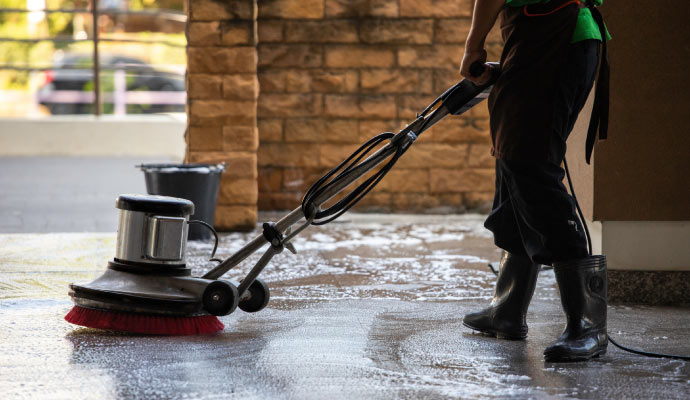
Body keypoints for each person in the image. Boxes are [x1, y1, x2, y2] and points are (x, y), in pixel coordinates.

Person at [459, 0, 610, 362]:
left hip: (555, 35)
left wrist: (473, 45)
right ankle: (507, 307)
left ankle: (588, 323)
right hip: (544, 34)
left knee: (529, 163)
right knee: (512, 158)